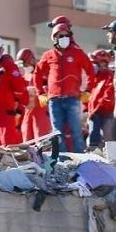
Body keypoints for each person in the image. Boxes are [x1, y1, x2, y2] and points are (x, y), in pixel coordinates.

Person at [34, 23, 95, 153]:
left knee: (76, 131)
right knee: (57, 133)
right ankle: (62, 160)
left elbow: (90, 70)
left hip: (73, 98)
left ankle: (80, 159)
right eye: (61, 35)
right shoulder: (48, 55)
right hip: (54, 100)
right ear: (54, 38)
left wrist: (88, 90)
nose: (64, 38)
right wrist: (40, 93)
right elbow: (37, 73)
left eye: (66, 35)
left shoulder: (78, 53)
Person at [16, 48, 51, 142]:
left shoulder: (41, 73)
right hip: (27, 112)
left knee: (41, 138)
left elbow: (48, 88)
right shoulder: (22, 77)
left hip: (41, 110)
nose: (24, 66)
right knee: (27, 140)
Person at [86, 49, 115, 150]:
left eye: (95, 63)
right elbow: (90, 98)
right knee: (94, 138)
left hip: (106, 115)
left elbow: (109, 95)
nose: (92, 66)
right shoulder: (95, 79)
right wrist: (87, 108)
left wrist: (99, 108)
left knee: (108, 139)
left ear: (103, 63)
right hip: (95, 115)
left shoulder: (109, 76)